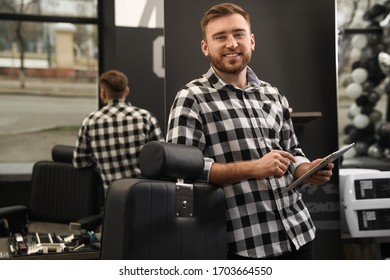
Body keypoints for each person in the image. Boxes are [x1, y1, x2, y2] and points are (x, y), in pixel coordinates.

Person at [166, 2, 334, 260]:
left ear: (251, 41)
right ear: (205, 47)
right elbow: (180, 172)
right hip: (244, 245)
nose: (231, 43)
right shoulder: (191, 98)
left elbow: (292, 151)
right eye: (220, 37)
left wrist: (306, 170)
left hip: (298, 232)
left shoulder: (272, 93)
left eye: (238, 34)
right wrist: (253, 168)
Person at [73, 70, 164, 192]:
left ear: (103, 93)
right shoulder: (145, 117)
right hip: (145, 195)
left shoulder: (90, 121)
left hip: (112, 198)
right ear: (126, 91)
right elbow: (162, 158)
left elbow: (80, 161)